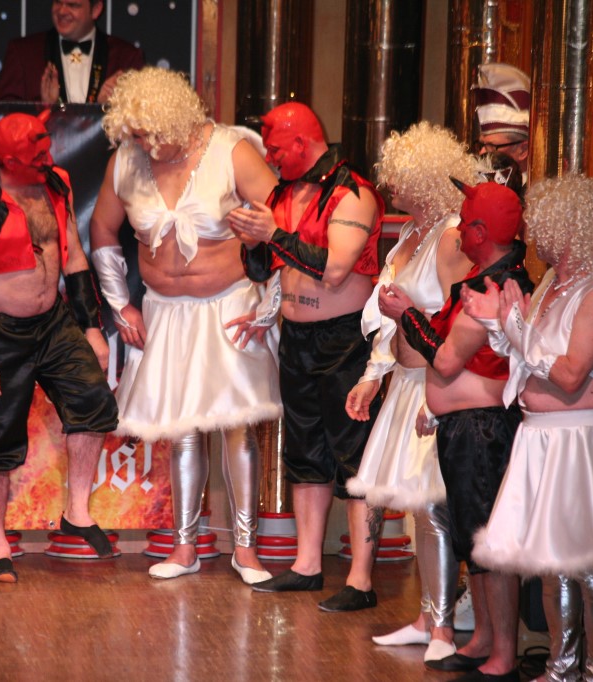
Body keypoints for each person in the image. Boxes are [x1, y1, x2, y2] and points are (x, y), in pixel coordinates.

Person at [461, 174, 593, 682]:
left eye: (540, 223)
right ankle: (560, 670)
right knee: (553, 565)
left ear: (569, 226)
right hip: (540, 437)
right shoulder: (551, 288)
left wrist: (513, 326)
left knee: (592, 570)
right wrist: (498, 321)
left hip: (578, 440)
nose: (531, 234)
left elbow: (570, 374)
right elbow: (524, 361)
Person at [89, 67, 280, 583]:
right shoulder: (125, 162)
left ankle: (246, 549)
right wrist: (120, 304)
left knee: (238, 427)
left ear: (176, 119)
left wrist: (270, 303)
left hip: (230, 306)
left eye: (151, 133)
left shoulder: (231, 150)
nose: (143, 144)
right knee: (182, 431)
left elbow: (285, 222)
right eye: (135, 134)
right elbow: (102, 229)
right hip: (166, 312)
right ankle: (184, 546)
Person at [0, 110, 118, 583]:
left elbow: (74, 257)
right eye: (35, 155)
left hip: (53, 321)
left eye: (47, 149)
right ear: (8, 159)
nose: (46, 158)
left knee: (93, 401)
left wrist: (92, 328)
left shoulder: (55, 183)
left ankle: (77, 511)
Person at [227, 102, 384, 611]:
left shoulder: (352, 192)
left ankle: (360, 579)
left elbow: (335, 270)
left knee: (354, 455)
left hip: (345, 339)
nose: (270, 158)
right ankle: (307, 565)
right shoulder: (282, 193)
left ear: (301, 142)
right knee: (304, 453)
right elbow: (262, 269)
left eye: (275, 148)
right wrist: (252, 242)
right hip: (296, 336)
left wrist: (271, 234)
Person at [343, 122, 474, 656]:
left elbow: (462, 320)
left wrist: (443, 394)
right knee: (421, 509)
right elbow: (389, 319)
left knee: (435, 506)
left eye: (399, 176)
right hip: (405, 383)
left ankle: (443, 628)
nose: (389, 185)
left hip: (434, 383)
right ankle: (428, 617)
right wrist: (372, 376)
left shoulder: (450, 237)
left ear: (425, 179)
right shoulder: (412, 234)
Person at [396, 179, 532, 680]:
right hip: (467, 426)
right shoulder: (481, 278)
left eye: (463, 221)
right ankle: (485, 640)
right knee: (472, 540)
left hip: (484, 429)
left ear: (479, 231)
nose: (455, 231)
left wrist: (405, 313)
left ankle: (503, 654)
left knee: (489, 543)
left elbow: (447, 360)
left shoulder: (495, 287)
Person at [0, 0, 144, 105]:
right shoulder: (23, 52)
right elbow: (6, 122)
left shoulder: (127, 57)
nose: (62, 11)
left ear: (96, 9)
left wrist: (106, 109)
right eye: (58, 2)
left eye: (73, 5)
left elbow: (142, 126)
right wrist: (45, 108)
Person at [474, 63, 530, 183]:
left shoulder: (539, 193)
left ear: (523, 150)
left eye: (491, 146)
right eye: (481, 145)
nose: (481, 152)